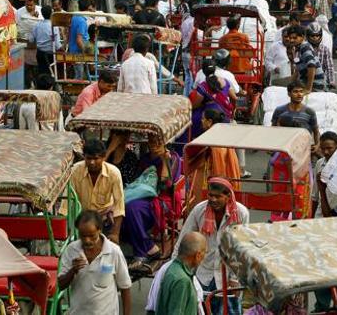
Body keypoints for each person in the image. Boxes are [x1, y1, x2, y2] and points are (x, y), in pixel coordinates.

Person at [175, 179, 250, 315]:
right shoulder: (199, 210)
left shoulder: (241, 214)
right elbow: (183, 240)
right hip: (203, 273)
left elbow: (241, 249)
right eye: (210, 195)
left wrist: (235, 279)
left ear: (228, 196)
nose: (213, 199)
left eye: (218, 196)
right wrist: (173, 268)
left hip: (227, 275)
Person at [115, 133, 182, 264]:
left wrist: (163, 159)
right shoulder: (145, 159)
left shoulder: (173, 158)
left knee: (131, 209)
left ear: (165, 142)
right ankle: (149, 246)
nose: (154, 145)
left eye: (158, 142)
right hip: (142, 195)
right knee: (119, 209)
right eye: (151, 141)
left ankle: (141, 252)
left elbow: (165, 184)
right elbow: (137, 180)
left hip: (162, 198)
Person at [57, 210, 132, 315]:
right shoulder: (71, 250)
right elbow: (61, 284)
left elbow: (125, 287)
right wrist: (73, 271)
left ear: (100, 230)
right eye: (83, 236)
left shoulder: (113, 251)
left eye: (92, 236)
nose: (87, 240)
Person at [69, 140, 125, 244]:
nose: (92, 162)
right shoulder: (75, 171)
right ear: (84, 157)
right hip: (82, 219)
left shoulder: (114, 173)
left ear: (103, 157)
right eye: (88, 158)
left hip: (104, 218)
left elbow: (119, 206)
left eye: (96, 158)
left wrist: (115, 233)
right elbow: (67, 203)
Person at [152, 231, 207, 315]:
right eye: (205, 253)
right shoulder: (182, 281)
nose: (204, 257)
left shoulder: (172, 269)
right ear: (198, 255)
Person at [189, 60, 237, 137]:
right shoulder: (225, 81)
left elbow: (196, 105)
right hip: (225, 114)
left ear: (203, 71)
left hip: (210, 114)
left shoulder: (203, 86)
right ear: (215, 69)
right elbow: (234, 97)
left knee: (192, 119)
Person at [272, 80, 320, 145]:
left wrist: (317, 145)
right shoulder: (279, 111)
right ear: (289, 94)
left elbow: (316, 131)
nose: (299, 94)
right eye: (295, 92)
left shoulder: (309, 112)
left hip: (303, 146)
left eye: (301, 91)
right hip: (284, 145)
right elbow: (273, 130)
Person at [286, 25, 324, 92]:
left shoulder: (304, 47)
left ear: (302, 37)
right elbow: (297, 71)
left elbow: (312, 67)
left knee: (276, 83)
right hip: (304, 81)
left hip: (315, 85)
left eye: (295, 38)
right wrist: (289, 83)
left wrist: (308, 89)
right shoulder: (297, 48)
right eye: (290, 38)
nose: (291, 40)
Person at [32, 5, 60, 77]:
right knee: (51, 74)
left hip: (40, 54)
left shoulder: (37, 25)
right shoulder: (54, 26)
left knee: (42, 73)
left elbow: (31, 39)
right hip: (50, 55)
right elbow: (57, 45)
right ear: (51, 14)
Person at [307, 23, 335, 91]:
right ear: (308, 36)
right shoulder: (304, 48)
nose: (315, 38)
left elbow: (329, 67)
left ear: (320, 36)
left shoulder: (325, 49)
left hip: (321, 82)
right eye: (312, 35)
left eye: (317, 35)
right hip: (306, 81)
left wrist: (331, 81)